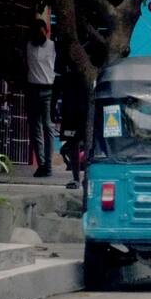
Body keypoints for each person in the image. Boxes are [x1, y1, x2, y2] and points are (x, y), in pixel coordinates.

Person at [25, 19, 56, 177]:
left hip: (47, 89)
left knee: (48, 127)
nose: (39, 34)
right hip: (32, 89)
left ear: (47, 31)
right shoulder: (28, 45)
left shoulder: (52, 46)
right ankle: (42, 164)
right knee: (35, 128)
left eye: (41, 31)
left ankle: (48, 166)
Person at [53, 58, 88, 189]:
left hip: (85, 109)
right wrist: (53, 109)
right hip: (70, 110)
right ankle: (76, 178)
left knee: (88, 143)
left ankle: (86, 178)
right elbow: (57, 83)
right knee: (73, 144)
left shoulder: (89, 66)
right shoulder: (66, 59)